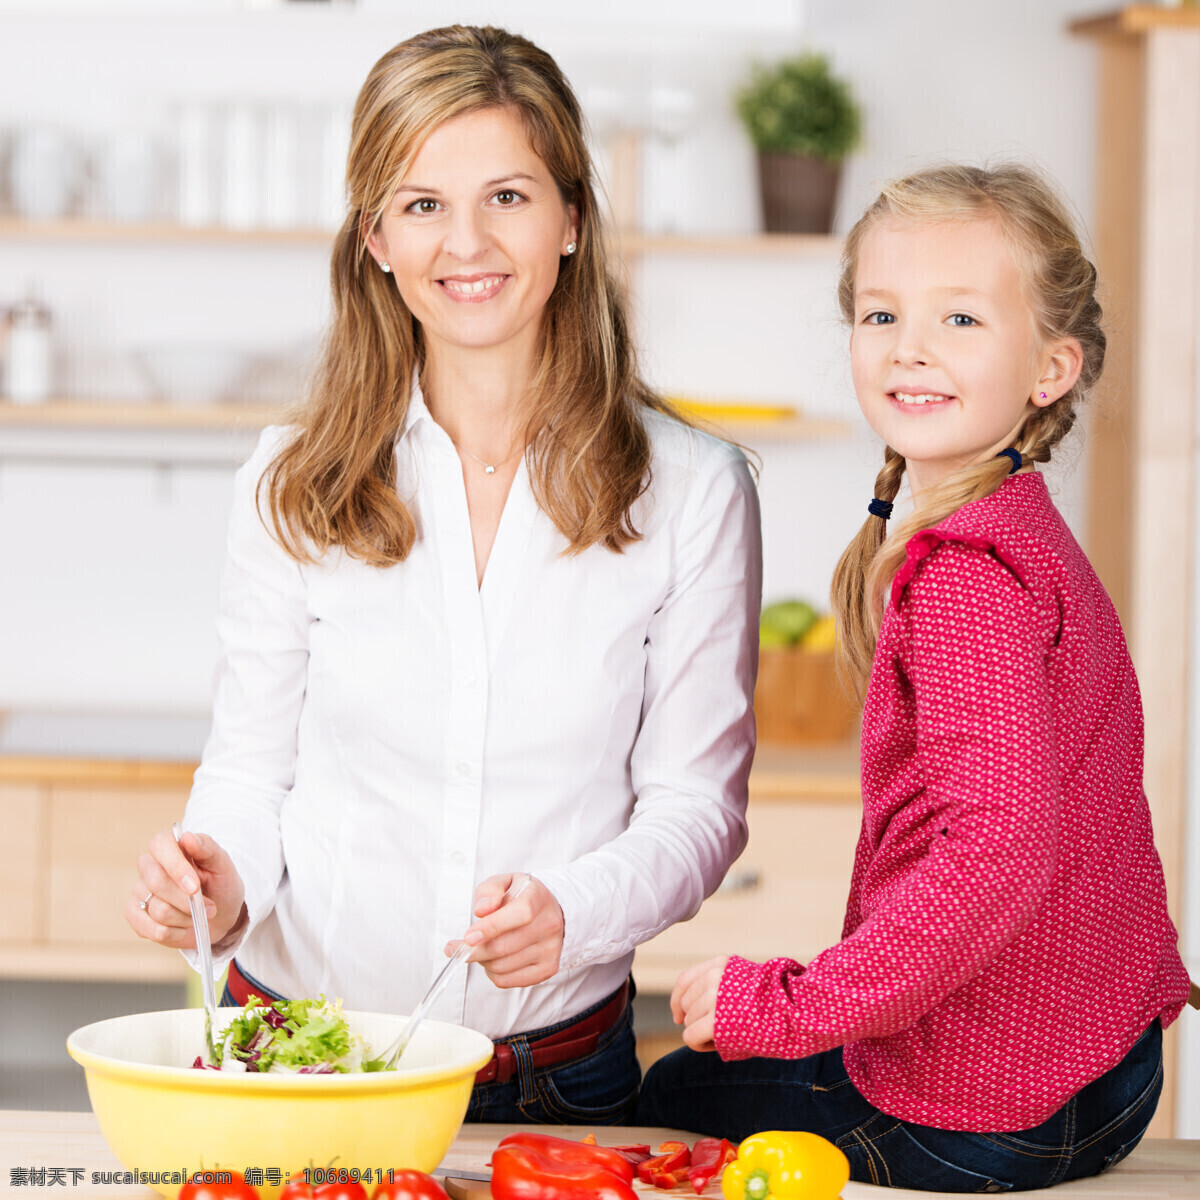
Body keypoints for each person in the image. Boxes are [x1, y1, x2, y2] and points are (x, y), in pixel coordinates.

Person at [126, 25, 761, 1125]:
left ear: (571, 217)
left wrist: (578, 905)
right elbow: (251, 768)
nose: (466, 242)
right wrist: (217, 875)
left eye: (507, 196)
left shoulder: (694, 490)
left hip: (555, 1081)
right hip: (295, 1058)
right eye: (422, 204)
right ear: (374, 237)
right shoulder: (291, 477)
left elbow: (697, 807)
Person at [636, 163, 1193, 1190]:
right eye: (882, 312)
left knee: (668, 1096)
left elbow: (996, 852)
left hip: (988, 1113)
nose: (911, 348)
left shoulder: (965, 581)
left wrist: (786, 1004)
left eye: (962, 320)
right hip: (1112, 1075)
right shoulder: (1028, 528)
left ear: (1051, 368)